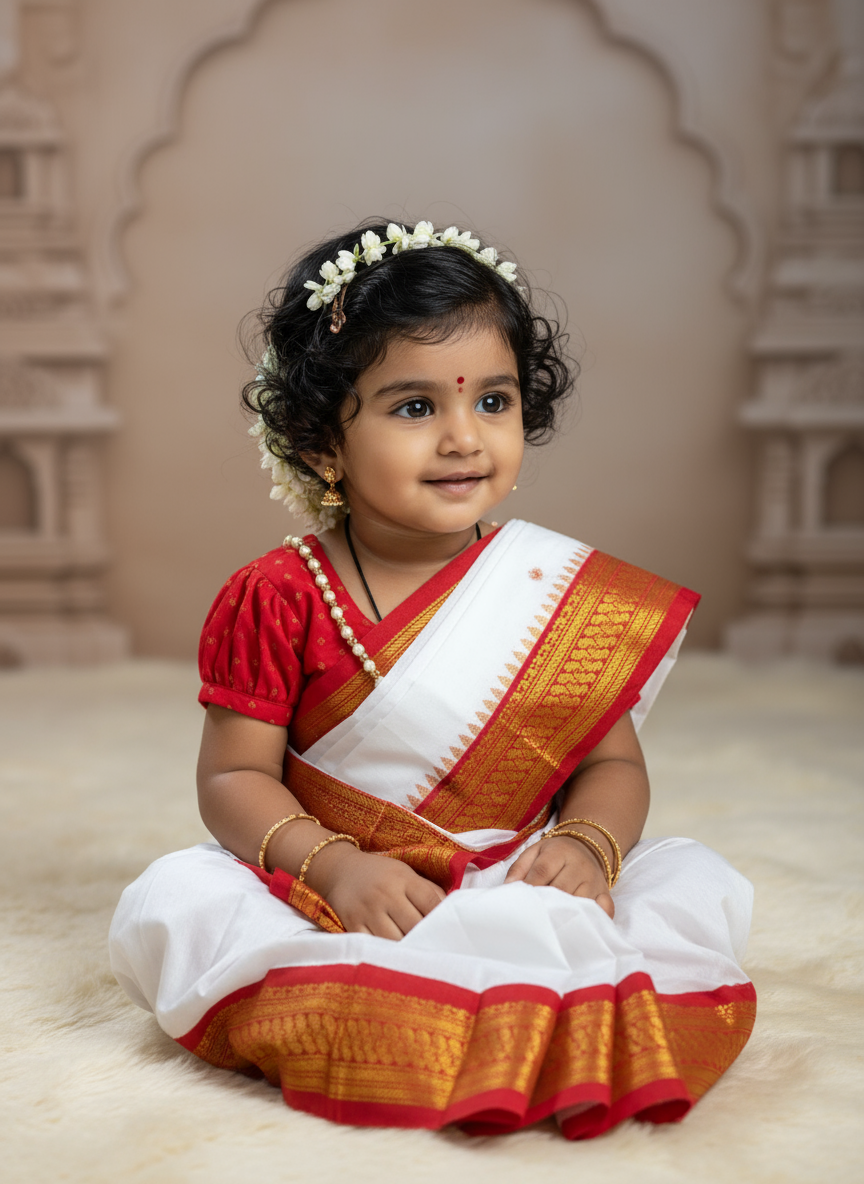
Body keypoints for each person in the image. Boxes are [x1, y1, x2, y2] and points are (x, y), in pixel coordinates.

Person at [109, 219, 755, 1140]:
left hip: (514, 874)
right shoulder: (280, 594)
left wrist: (589, 848)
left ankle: (534, 1050)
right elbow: (232, 779)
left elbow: (613, 766)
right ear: (319, 441)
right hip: (338, 889)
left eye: (493, 401)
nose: (463, 437)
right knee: (184, 901)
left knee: (671, 895)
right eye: (415, 408)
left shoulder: (553, 596)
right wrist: (332, 864)